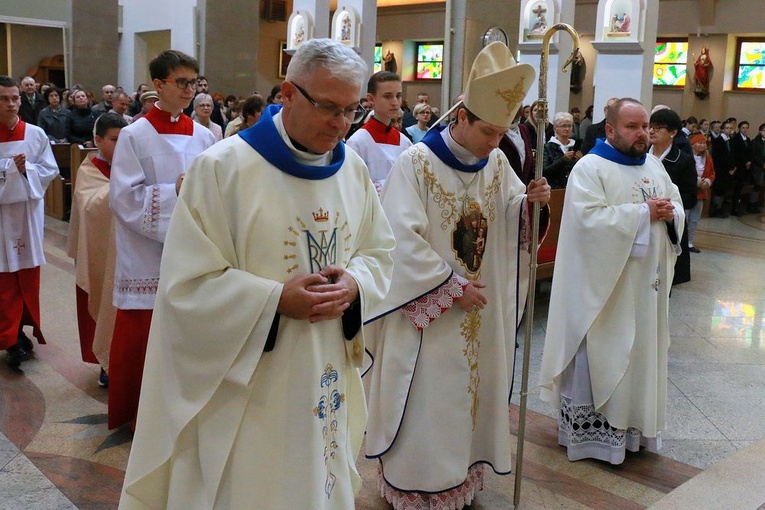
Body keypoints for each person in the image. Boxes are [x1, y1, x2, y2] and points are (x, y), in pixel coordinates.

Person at [118, 38, 395, 509]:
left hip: (326, 367)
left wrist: (355, 282)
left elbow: (379, 251)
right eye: (329, 107)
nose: (341, 124)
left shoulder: (352, 171)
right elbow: (186, 287)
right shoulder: (223, 169)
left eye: (351, 110)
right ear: (287, 93)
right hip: (251, 385)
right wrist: (272, 300)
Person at [365, 42, 550, 509]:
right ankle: (417, 481)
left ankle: (461, 474)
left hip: (480, 311)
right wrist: (450, 287)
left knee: (472, 394)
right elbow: (397, 239)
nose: (495, 143)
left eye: (502, 133)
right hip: (430, 316)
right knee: (430, 399)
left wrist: (529, 205)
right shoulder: (417, 164)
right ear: (462, 116)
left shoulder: (498, 162)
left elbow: (508, 220)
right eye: (488, 131)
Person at [539, 98, 684, 465]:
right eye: (632, 127)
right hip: (604, 291)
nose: (642, 135)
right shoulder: (590, 168)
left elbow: (675, 204)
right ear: (610, 129)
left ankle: (632, 431)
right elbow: (587, 223)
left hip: (644, 290)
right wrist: (642, 213)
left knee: (638, 356)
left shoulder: (652, 165)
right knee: (604, 353)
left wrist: (670, 214)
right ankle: (593, 439)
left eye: (645, 127)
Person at [108, 50, 216, 430]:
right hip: (147, 254)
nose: (190, 90)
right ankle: (139, 416)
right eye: (182, 82)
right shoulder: (135, 134)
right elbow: (123, 197)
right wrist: (175, 192)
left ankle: (181, 413)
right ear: (158, 85)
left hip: (193, 253)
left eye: (194, 82)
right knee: (145, 335)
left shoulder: (205, 136)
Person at [0, 75, 59, 367]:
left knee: (26, 275)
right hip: (1, 220)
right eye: (5, 99)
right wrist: (11, 170)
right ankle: (9, 338)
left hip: (26, 216)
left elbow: (49, 170)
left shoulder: (34, 134)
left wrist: (27, 172)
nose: (12, 104)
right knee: (4, 281)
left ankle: (20, 332)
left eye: (15, 98)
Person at [66, 113, 128, 387]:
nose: (121, 146)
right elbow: (89, 206)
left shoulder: (131, 166)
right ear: (97, 140)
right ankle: (106, 362)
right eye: (114, 140)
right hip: (102, 250)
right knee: (104, 303)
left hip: (130, 251)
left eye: (125, 140)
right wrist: (121, 190)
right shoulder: (89, 170)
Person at [648, 108, 696, 285]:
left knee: (665, 278)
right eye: (650, 126)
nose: (651, 131)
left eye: (658, 127)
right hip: (644, 218)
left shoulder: (683, 160)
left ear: (673, 132)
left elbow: (690, 196)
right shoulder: (640, 156)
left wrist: (667, 206)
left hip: (669, 221)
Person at [346, 71, 411, 193]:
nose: (395, 102)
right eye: (387, 96)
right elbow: (351, 186)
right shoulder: (357, 142)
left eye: (398, 96)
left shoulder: (404, 141)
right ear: (371, 99)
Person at [687, 133, 715, 253]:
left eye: (704, 143)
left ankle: (689, 242)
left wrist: (707, 182)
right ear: (692, 144)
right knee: (685, 218)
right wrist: (697, 181)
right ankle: (680, 242)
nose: (702, 145)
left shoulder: (707, 158)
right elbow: (686, 173)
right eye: (700, 143)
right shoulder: (686, 157)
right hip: (688, 192)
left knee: (694, 219)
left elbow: (712, 173)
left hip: (701, 192)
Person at [543, 111, 583, 188]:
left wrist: (581, 160)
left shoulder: (576, 145)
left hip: (573, 187)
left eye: (569, 126)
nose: (567, 129)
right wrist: (562, 160)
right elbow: (545, 172)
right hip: (554, 188)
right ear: (555, 128)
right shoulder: (548, 147)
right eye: (563, 126)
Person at [709, 119, 736, 217]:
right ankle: (715, 209)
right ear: (723, 129)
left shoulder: (731, 141)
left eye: (730, 128)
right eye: (727, 128)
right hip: (721, 171)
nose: (729, 130)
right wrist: (727, 169)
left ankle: (721, 208)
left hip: (730, 171)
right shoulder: (718, 141)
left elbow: (733, 155)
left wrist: (733, 167)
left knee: (725, 191)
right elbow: (718, 158)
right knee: (719, 191)